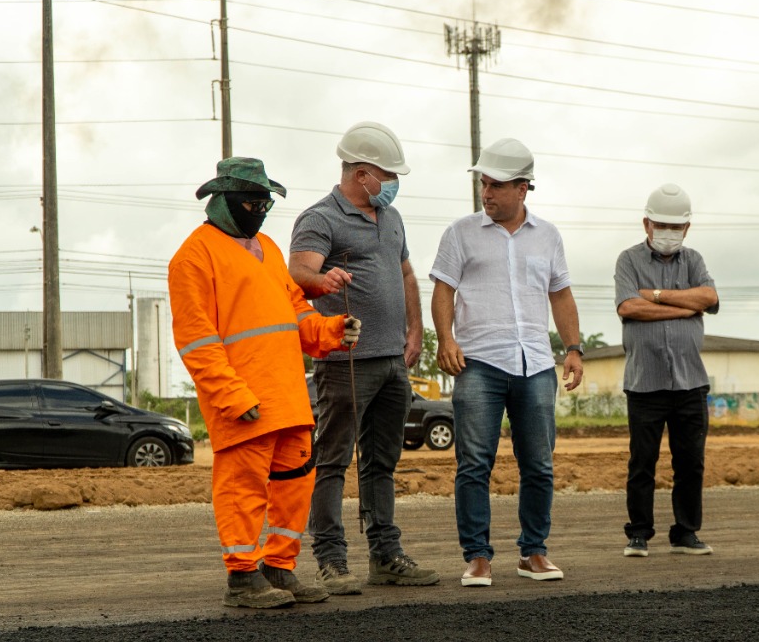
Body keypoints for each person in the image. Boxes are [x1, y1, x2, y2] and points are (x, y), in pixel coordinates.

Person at [169, 157, 360, 608]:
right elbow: (197, 342)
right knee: (243, 489)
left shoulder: (270, 250)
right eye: (253, 203)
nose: (260, 211)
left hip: (289, 398)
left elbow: (297, 315)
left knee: (295, 485)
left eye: (266, 204)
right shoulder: (193, 258)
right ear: (224, 201)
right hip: (244, 402)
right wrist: (231, 395)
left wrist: (332, 330)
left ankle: (279, 567)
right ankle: (242, 577)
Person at [288, 121, 440, 594]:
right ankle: (331, 560)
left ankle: (385, 556)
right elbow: (299, 270)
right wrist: (322, 281)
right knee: (332, 461)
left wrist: (415, 329)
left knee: (382, 462)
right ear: (361, 174)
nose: (393, 185)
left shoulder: (390, 218)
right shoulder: (320, 218)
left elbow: (408, 275)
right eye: (388, 175)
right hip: (345, 362)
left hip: (393, 360)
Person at [430, 137, 584, 588]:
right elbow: (443, 289)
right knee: (474, 462)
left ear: (523, 188)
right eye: (484, 183)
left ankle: (533, 551)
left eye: (496, 185)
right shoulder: (460, 233)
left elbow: (561, 293)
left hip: (535, 363)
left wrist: (573, 348)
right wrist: (446, 339)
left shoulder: (549, 236)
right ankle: (477, 556)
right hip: (477, 362)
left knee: (539, 463)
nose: (487, 193)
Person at [614, 183, 720, 558]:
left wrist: (655, 295)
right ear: (646, 223)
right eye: (662, 224)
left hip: (691, 382)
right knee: (642, 463)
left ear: (687, 229)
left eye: (677, 227)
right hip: (645, 383)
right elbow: (628, 308)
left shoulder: (694, 260)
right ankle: (639, 533)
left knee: (690, 463)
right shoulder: (628, 260)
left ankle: (686, 532)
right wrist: (684, 307)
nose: (669, 233)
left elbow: (709, 297)